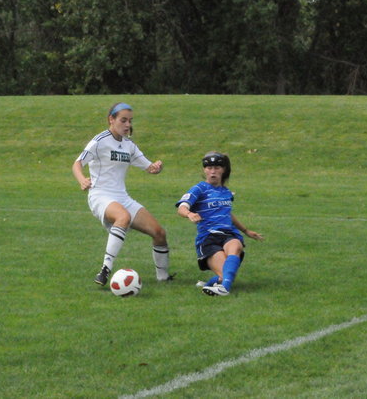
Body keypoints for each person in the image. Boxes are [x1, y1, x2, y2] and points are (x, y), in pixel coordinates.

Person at [72, 102, 173, 286]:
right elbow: (77, 163)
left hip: (122, 198)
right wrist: (82, 180)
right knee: (123, 217)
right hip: (100, 195)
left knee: (159, 233)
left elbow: (149, 168)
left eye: (130, 121)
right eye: (123, 120)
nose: (128, 125)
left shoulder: (129, 145)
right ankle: (105, 270)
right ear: (111, 119)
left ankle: (163, 278)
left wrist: (156, 167)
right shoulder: (100, 140)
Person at [175, 151, 263, 296]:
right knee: (225, 274)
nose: (213, 171)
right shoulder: (199, 189)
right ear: (204, 170)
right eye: (209, 168)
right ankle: (214, 283)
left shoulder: (226, 192)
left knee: (236, 245)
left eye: (217, 168)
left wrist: (246, 231)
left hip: (228, 234)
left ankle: (223, 289)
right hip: (208, 238)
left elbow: (227, 213)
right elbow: (181, 208)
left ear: (223, 170)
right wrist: (189, 214)